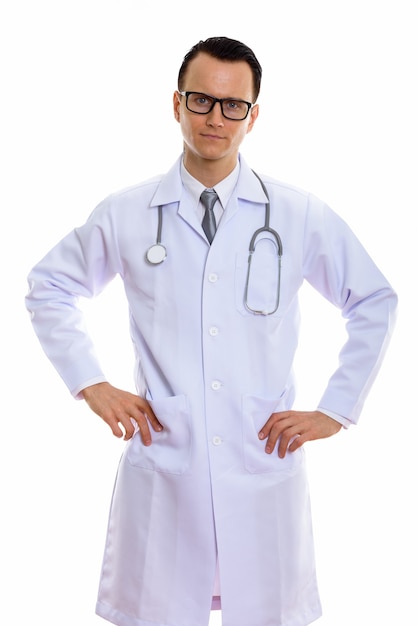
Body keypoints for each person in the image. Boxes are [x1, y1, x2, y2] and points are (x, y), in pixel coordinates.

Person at [25, 36, 397, 626]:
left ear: (254, 116)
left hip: (260, 464)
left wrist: (337, 408)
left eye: (233, 106)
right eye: (201, 101)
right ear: (176, 105)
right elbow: (49, 288)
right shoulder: (128, 212)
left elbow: (374, 299)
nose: (215, 118)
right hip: (168, 465)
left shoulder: (298, 215)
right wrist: (90, 383)